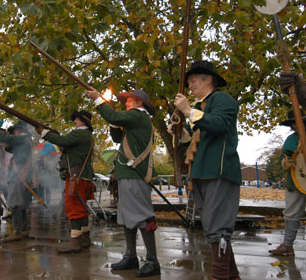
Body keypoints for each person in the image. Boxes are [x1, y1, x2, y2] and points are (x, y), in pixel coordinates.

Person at [172, 60, 241, 280]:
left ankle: (220, 276)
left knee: (218, 226)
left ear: (208, 80)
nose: (190, 86)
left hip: (219, 170)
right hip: (200, 172)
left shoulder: (223, 99)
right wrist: (179, 130)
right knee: (212, 225)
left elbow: (219, 124)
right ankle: (232, 276)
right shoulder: (199, 107)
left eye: (193, 81)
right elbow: (195, 141)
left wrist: (188, 110)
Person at [86, 88, 160, 277]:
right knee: (128, 216)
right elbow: (118, 137)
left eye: (129, 100)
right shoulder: (134, 120)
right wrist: (113, 122)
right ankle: (131, 256)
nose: (126, 103)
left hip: (135, 174)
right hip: (128, 174)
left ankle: (152, 260)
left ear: (139, 103)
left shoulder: (138, 116)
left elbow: (115, 116)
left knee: (142, 216)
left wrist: (98, 100)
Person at [37, 110, 94, 253]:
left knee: (74, 208)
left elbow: (63, 141)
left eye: (76, 119)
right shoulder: (86, 135)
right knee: (81, 208)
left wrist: (45, 133)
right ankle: (84, 238)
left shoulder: (80, 133)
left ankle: (75, 242)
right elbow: (66, 145)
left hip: (77, 177)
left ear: (83, 121)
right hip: (82, 176)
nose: (74, 121)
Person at [0, 121, 33, 242]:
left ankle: (17, 231)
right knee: (20, 204)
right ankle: (23, 230)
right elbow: (8, 147)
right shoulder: (24, 141)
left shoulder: (23, 139)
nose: (14, 133)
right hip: (21, 175)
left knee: (16, 203)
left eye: (14, 131)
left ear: (19, 130)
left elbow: (8, 139)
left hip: (18, 175)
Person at [269, 110, 306, 256]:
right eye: (293, 123)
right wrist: (286, 162)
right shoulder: (291, 139)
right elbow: (284, 157)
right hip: (296, 179)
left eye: (298, 122)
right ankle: (287, 245)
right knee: (291, 213)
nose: (295, 125)